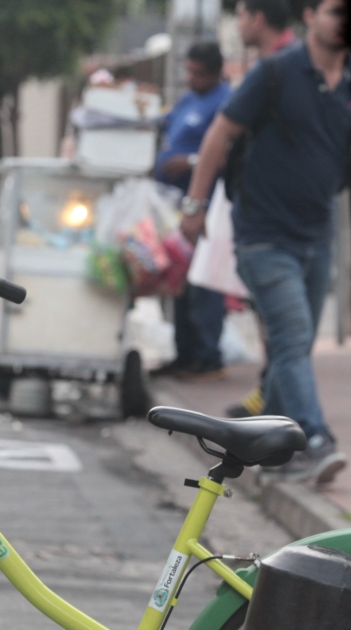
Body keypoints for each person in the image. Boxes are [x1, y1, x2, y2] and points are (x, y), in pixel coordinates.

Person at [181, 0, 350, 486]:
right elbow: (220, 134)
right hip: (263, 235)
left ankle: (273, 449)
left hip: (317, 237)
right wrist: (194, 206)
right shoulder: (277, 72)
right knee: (295, 337)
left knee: (287, 349)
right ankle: (314, 438)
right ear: (312, 15)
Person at [226, 0, 296, 418]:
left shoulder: (287, 66)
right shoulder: (276, 64)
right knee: (276, 322)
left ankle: (298, 425)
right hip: (266, 211)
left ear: (258, 18)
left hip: (283, 219)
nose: (236, 24)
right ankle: (270, 396)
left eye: (239, 15)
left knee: (285, 328)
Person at [151, 43, 231, 381]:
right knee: (178, 281)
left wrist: (191, 161)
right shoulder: (187, 100)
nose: (191, 78)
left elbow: (228, 151)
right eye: (189, 71)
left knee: (202, 284)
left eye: (198, 73)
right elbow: (162, 124)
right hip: (175, 207)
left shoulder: (226, 101)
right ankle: (184, 354)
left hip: (206, 208)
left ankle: (207, 356)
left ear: (214, 72)